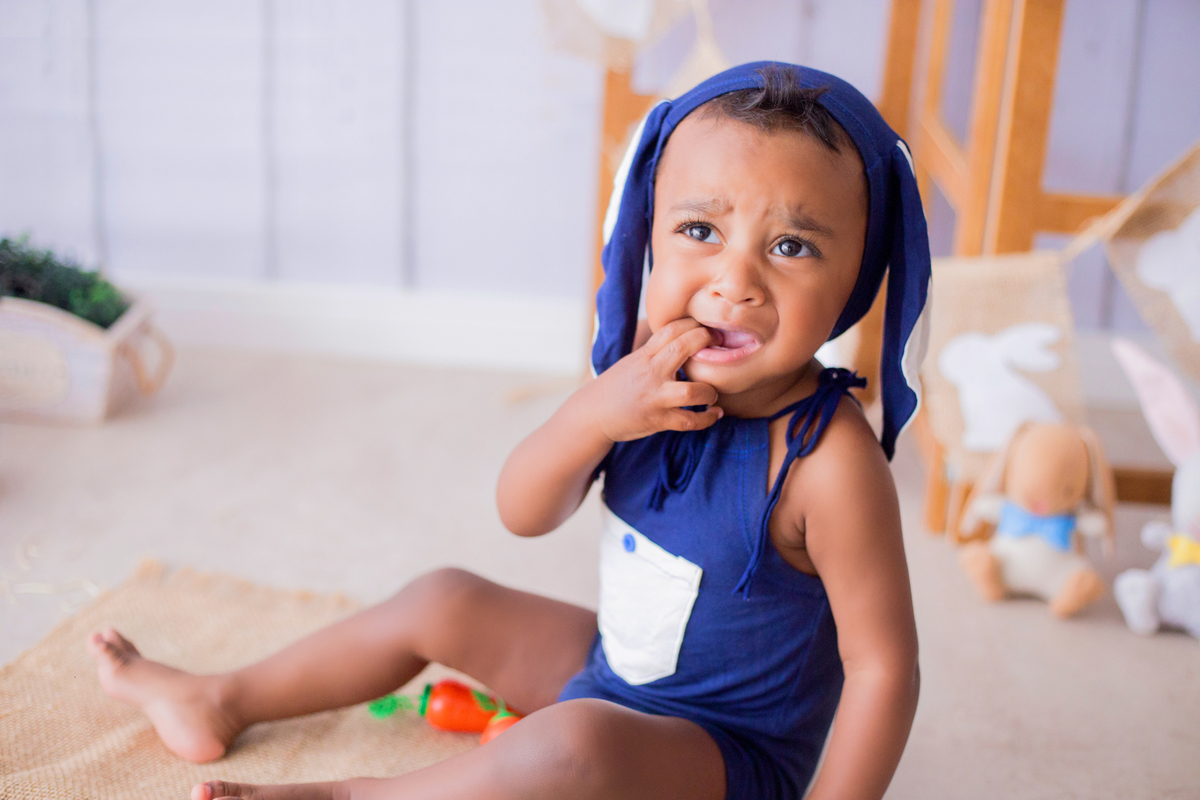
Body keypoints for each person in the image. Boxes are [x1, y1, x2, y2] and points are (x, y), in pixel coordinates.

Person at [88, 61, 930, 800]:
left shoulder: (828, 462)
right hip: (613, 675)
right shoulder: (642, 378)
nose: (734, 281)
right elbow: (522, 510)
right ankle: (220, 696)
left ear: (860, 274)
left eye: (790, 245)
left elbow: (883, 671)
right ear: (648, 233)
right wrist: (598, 414)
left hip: (725, 758)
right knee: (444, 598)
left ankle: (354, 795)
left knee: (569, 746)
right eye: (700, 231)